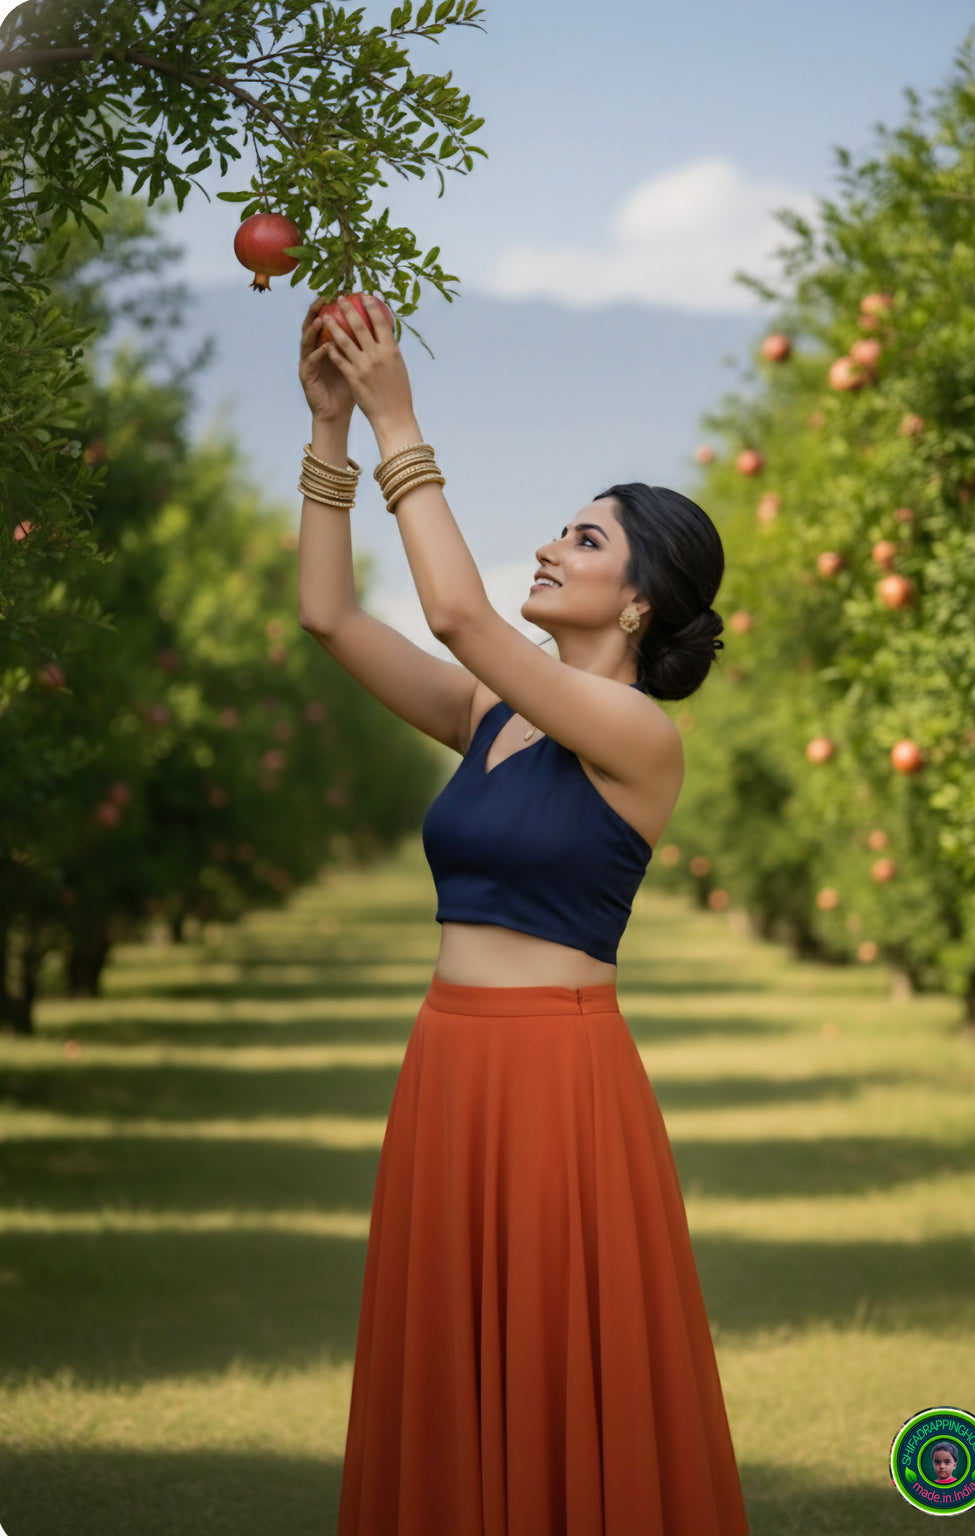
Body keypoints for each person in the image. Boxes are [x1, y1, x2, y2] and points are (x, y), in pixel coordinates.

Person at [296, 292, 749, 1536]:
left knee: (561, 1361)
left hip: (559, 1083)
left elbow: (457, 616)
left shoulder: (637, 738)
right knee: (453, 1355)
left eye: (585, 541)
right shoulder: (488, 718)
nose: (551, 547)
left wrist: (402, 416)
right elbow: (329, 618)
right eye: (558, 530)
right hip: (447, 1062)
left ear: (641, 603)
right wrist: (331, 430)